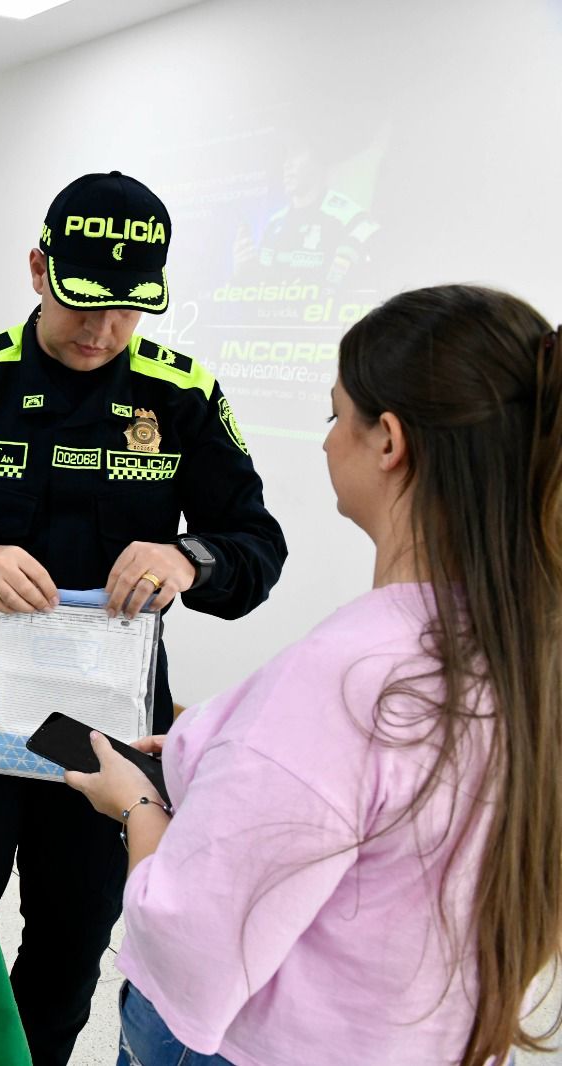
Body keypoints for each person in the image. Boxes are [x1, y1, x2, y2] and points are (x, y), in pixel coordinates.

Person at [66, 284, 562, 1066]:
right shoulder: (528, 648)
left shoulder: (345, 681)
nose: (328, 442)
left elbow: (189, 947)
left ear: (389, 441)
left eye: (337, 416)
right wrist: (212, 759)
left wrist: (135, 807)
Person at [0, 171, 287, 1065]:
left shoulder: (183, 397)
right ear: (37, 268)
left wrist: (189, 558)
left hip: (102, 735)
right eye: (81, 304)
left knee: (68, 949)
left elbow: (256, 546)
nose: (102, 332)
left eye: (129, 312)